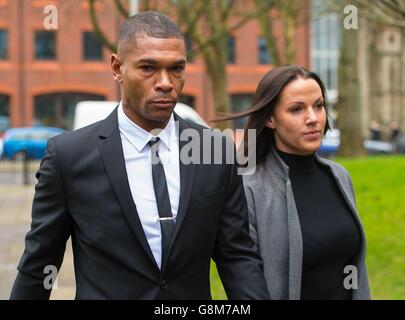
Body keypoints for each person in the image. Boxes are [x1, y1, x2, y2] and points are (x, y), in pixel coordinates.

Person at [10, 12, 269, 300]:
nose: (166, 82)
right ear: (117, 67)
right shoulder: (68, 157)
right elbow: (40, 265)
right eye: (148, 68)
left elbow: (237, 257)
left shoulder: (214, 150)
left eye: (176, 69)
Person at [227, 65, 370, 299]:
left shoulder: (339, 177)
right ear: (271, 119)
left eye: (319, 106)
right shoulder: (249, 188)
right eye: (296, 109)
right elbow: (245, 282)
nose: (313, 118)